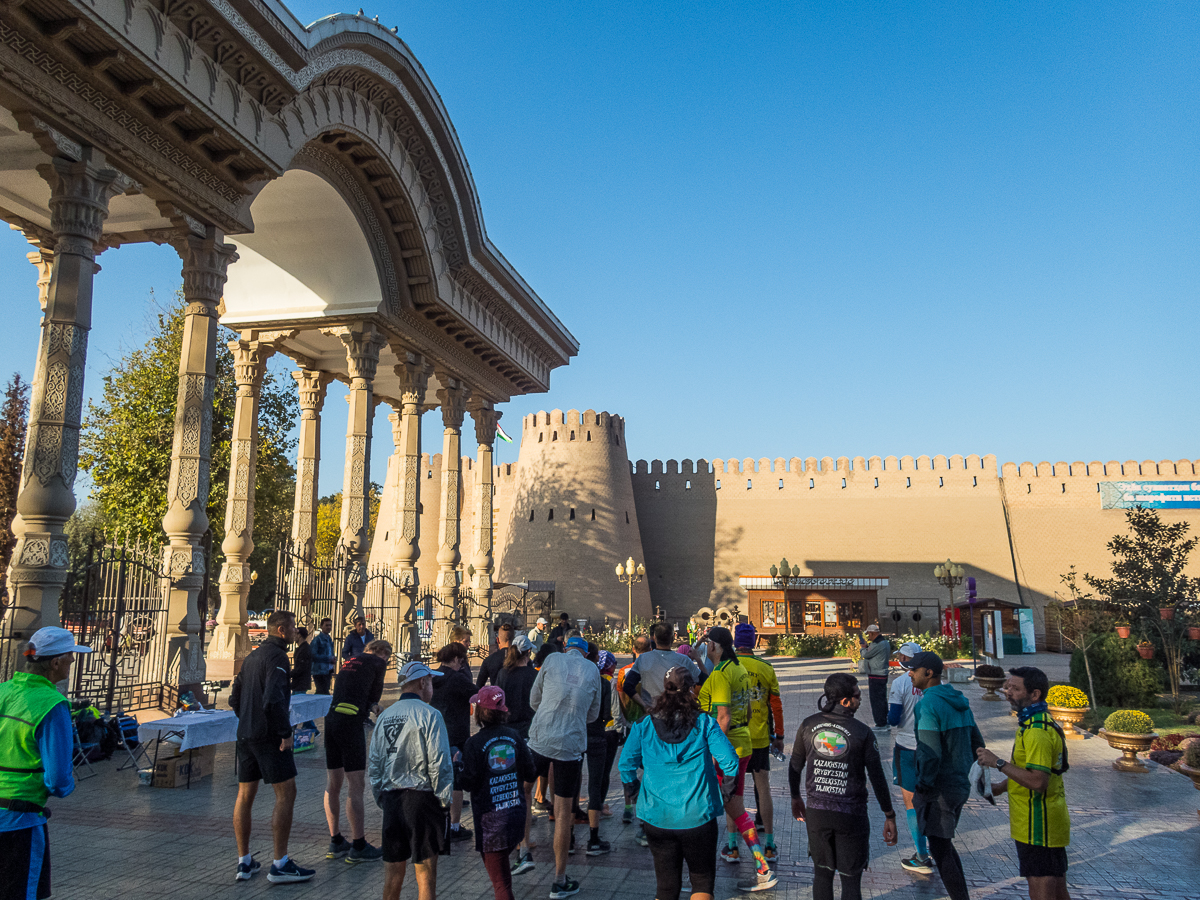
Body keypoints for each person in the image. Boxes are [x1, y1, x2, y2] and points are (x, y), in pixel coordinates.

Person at [619, 665, 739, 900]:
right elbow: (731, 762)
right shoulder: (704, 723)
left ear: (665, 688)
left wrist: (635, 794)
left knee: (665, 887)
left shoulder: (644, 724)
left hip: (656, 817)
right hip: (698, 816)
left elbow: (625, 765)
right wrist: (726, 793)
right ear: (692, 689)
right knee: (702, 882)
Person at [789, 673, 899, 900]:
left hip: (817, 813)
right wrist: (889, 814)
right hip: (851, 816)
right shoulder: (862, 733)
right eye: (858, 696)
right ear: (845, 701)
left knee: (822, 875)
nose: (861, 700)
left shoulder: (808, 725)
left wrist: (795, 797)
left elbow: (794, 766)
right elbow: (877, 777)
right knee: (850, 879)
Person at [0, 627, 91, 900]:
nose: (73, 661)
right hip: (20, 821)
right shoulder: (52, 705)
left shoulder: (3, 691)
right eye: (70, 656)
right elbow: (58, 778)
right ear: (55, 663)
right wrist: (65, 787)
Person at [229, 610, 314, 883]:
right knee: (286, 793)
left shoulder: (252, 657)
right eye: (291, 628)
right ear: (281, 630)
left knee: (245, 796)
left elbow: (234, 698)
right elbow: (274, 699)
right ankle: (280, 863)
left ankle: (244, 862)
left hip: (245, 734)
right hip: (269, 736)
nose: (295, 632)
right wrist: (284, 733)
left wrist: (247, 719)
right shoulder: (277, 657)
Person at [976, 667, 1071, 900]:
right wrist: (1000, 787)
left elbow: (1038, 781)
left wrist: (996, 762)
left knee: (1042, 888)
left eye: (1015, 688)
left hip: (1039, 824)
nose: (1008, 692)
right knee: (1057, 889)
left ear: (1035, 694)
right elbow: (1028, 770)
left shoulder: (1036, 731)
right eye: (1007, 687)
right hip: (1041, 823)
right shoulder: (1033, 723)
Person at [699, 626, 775, 892]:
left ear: (716, 646)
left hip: (726, 750)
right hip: (744, 745)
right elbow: (751, 709)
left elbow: (723, 717)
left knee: (707, 808)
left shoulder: (721, 674)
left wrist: (711, 751)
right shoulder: (739, 668)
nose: (706, 647)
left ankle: (700, 876)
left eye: (708, 643)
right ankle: (761, 865)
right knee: (736, 808)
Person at [527, 632, 602, 899]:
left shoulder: (551, 659)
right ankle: (559, 879)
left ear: (566, 647)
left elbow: (534, 700)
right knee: (562, 812)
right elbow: (593, 714)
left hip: (540, 739)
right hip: (570, 745)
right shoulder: (593, 669)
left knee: (524, 791)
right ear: (584, 652)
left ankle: (522, 851)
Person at [369, 660, 452, 900]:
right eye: (431, 682)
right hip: (422, 799)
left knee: (392, 877)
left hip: (392, 800)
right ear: (422, 682)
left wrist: (381, 797)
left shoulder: (385, 717)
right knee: (426, 878)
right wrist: (444, 801)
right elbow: (439, 763)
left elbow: (375, 763)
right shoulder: (431, 715)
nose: (432, 688)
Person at [909, 651, 985, 900]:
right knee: (944, 844)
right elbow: (978, 743)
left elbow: (930, 753)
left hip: (938, 789)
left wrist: (923, 784)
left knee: (940, 849)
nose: (910, 673)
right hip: (959, 785)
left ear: (928, 673)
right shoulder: (960, 700)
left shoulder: (928, 705)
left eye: (914, 669)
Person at [459, 686, 538, 900]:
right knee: (503, 876)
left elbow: (468, 782)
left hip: (491, 822)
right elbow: (531, 772)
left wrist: (457, 767)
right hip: (515, 815)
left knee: (501, 885)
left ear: (479, 712)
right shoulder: (515, 736)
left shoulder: (474, 743)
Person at [325, 639, 392, 863]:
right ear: (383, 654)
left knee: (333, 783)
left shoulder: (350, 660)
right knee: (356, 785)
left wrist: (369, 705)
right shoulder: (377, 663)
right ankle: (359, 845)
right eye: (388, 657)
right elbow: (374, 694)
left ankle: (335, 841)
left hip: (332, 719)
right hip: (350, 723)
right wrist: (375, 706)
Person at [734, 623, 785, 861]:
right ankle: (770, 844)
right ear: (754, 642)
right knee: (763, 787)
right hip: (760, 737)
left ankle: (732, 845)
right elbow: (775, 704)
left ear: (735, 642)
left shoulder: (727, 667)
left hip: (733, 737)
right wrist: (780, 736)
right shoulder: (765, 667)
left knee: (733, 790)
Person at [887, 642, 931, 874]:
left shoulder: (901, 682)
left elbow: (893, 718)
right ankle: (939, 846)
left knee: (911, 801)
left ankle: (921, 853)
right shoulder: (939, 683)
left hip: (906, 744)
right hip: (932, 747)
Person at [496, 634, 538, 875]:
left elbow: (498, 704)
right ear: (528, 653)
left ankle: (507, 836)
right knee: (525, 790)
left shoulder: (503, 674)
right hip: (529, 735)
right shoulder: (534, 676)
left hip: (506, 735)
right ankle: (524, 840)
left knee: (505, 785)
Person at [430, 641, 475, 842]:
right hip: (456, 733)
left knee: (437, 780)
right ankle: (454, 827)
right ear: (457, 659)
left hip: (435, 732)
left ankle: (438, 823)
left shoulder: (433, 676)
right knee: (455, 781)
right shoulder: (457, 678)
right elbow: (478, 694)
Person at [624, 622, 702, 716]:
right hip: (677, 714)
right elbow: (703, 680)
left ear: (654, 638)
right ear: (672, 639)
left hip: (652, 714)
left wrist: (645, 706)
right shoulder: (683, 660)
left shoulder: (643, 659)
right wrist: (699, 660)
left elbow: (628, 686)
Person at [582, 645, 617, 855]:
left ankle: (568, 840)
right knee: (596, 783)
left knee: (571, 784)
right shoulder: (604, 684)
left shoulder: (577, 680)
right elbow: (608, 713)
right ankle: (593, 839)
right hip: (597, 735)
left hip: (577, 734)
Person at [615, 634, 651, 828]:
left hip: (631, 723)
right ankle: (645, 807)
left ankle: (628, 807)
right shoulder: (652, 670)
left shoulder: (624, 671)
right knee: (649, 767)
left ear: (634, 650)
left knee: (628, 765)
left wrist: (625, 718)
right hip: (649, 723)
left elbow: (620, 697)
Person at [858, 625, 891, 730]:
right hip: (879, 675)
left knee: (876, 700)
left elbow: (866, 655)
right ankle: (884, 721)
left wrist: (863, 648)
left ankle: (880, 723)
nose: (868, 637)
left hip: (876, 676)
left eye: (868, 634)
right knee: (881, 699)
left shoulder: (878, 644)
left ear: (872, 633)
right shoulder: (883, 642)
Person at [312, 618, 336, 695]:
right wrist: (328, 659)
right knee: (322, 691)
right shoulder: (317, 640)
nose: (329, 627)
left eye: (330, 625)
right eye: (326, 625)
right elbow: (313, 655)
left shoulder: (329, 639)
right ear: (321, 626)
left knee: (325, 690)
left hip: (327, 670)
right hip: (319, 671)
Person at [291, 627, 313, 695]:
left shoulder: (304, 649)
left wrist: (289, 674)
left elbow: (300, 668)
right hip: (298, 683)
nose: (293, 636)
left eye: (295, 634)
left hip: (300, 683)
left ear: (299, 635)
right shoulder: (301, 648)